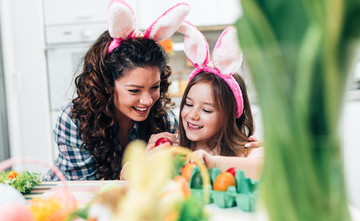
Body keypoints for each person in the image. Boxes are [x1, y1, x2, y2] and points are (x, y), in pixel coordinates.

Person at [43, 0, 190, 180]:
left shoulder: (165, 121)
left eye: (154, 87)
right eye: (134, 91)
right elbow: (86, 195)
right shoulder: (75, 122)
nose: (147, 100)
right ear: (107, 85)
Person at [178, 22, 264, 180]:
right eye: (188, 104)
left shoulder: (247, 151)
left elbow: (264, 170)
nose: (192, 115)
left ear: (229, 115)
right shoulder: (177, 148)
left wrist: (213, 162)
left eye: (206, 110)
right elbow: (128, 171)